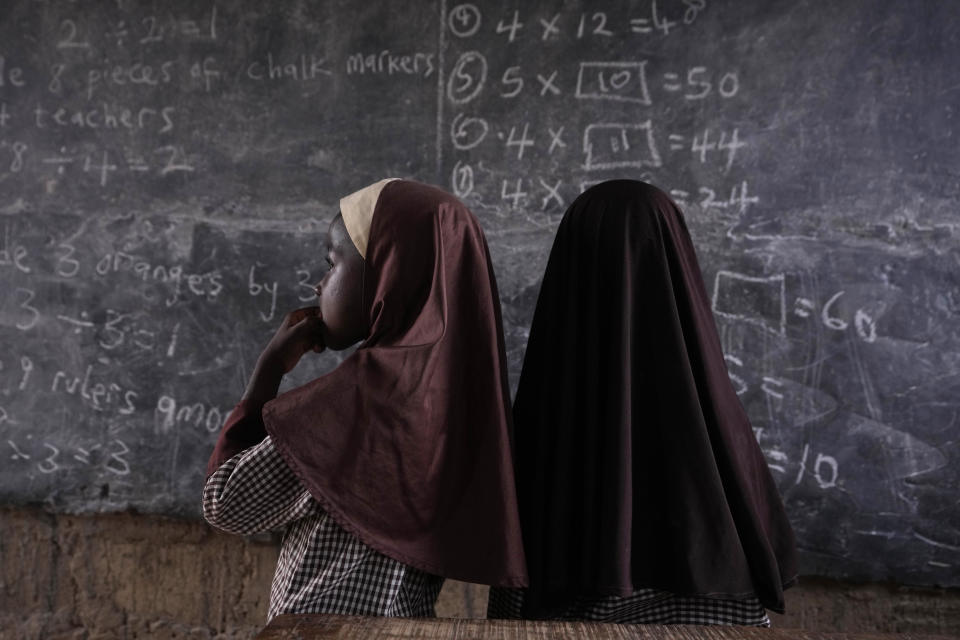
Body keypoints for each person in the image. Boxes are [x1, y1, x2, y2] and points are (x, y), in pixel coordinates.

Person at [203, 179, 527, 622]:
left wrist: (267, 372)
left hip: (320, 628)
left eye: (331, 263)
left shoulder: (356, 401)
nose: (319, 285)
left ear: (387, 272)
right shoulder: (463, 405)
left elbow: (226, 503)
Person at [488, 180, 797, 625]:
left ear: (569, 261)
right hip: (715, 618)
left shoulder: (547, 406)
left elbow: (513, 595)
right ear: (677, 255)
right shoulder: (710, 400)